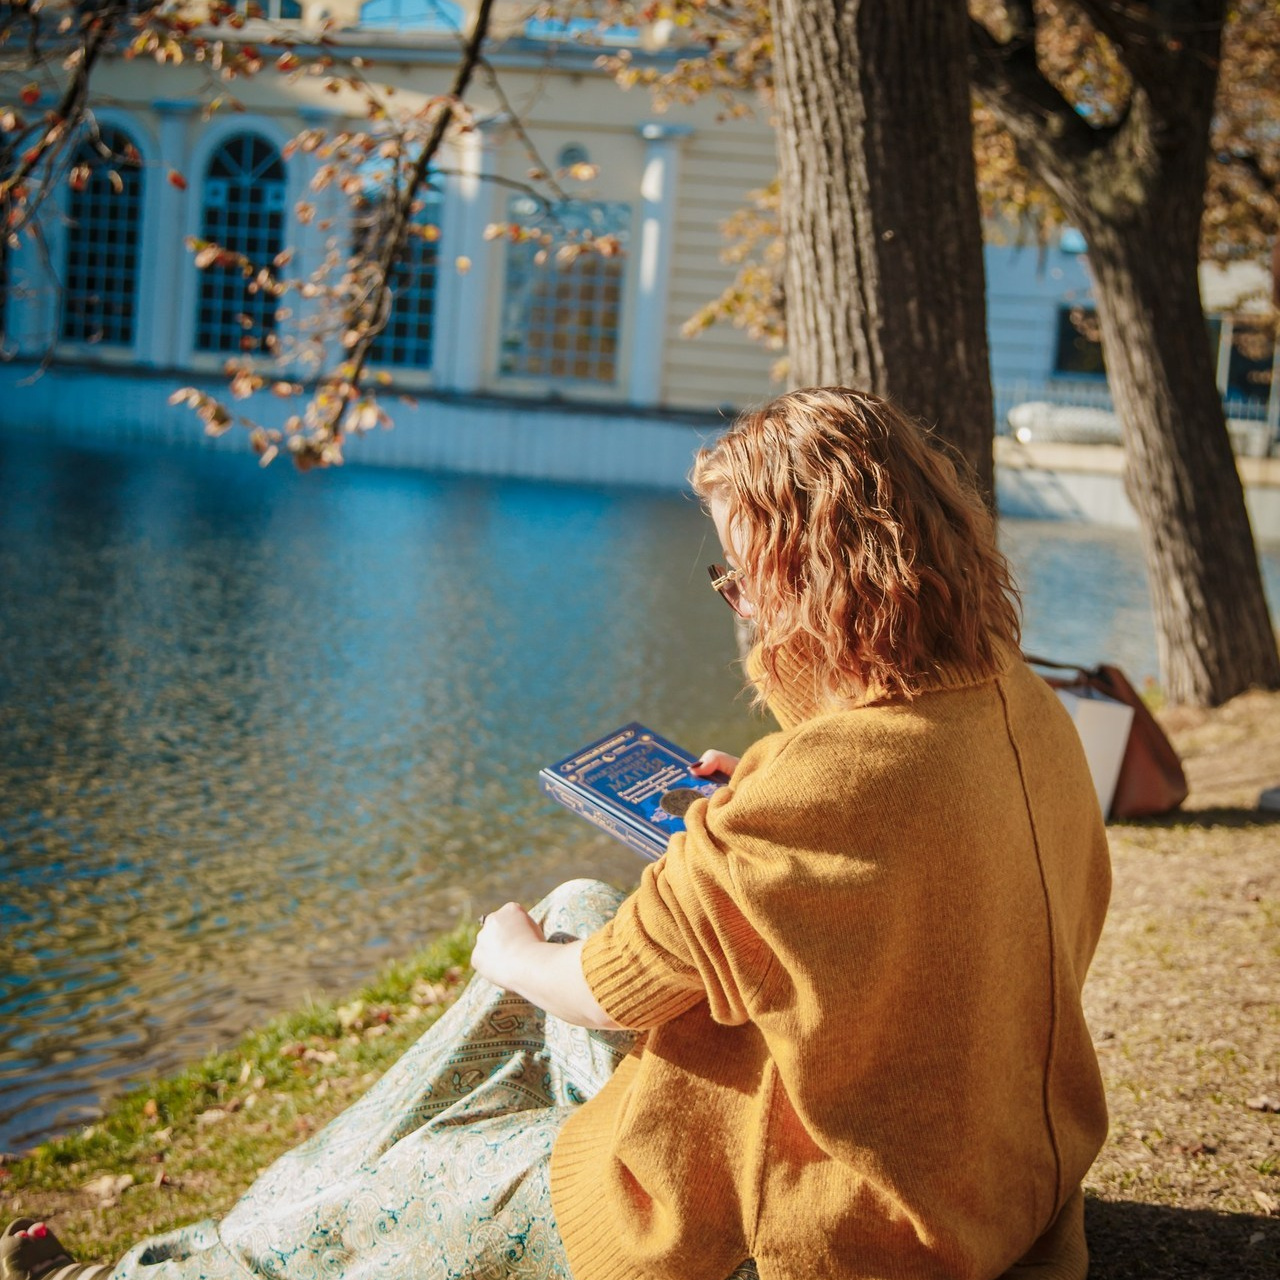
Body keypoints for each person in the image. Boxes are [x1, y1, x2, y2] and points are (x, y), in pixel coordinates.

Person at [3, 387, 1110, 1280]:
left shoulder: (819, 788)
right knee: (586, 903)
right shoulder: (1015, 704)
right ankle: (245, 1224)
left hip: (820, 1225)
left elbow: (604, 994)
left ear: (810, 573)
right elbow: (888, 861)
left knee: (409, 1167)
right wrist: (752, 787)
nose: (732, 601)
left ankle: (164, 1267)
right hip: (991, 1177)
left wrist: (502, 947)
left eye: (737, 569)